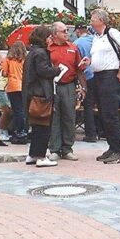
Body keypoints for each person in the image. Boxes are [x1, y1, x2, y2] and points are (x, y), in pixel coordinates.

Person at [87, 9, 120, 164]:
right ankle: (112, 147)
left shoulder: (112, 32)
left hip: (109, 76)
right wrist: (89, 62)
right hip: (98, 76)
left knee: (110, 113)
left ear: (102, 20)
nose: (91, 21)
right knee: (102, 113)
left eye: (93, 18)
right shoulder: (96, 37)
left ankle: (119, 151)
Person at [23, 24, 58, 167]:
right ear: (44, 38)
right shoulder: (41, 53)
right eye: (49, 36)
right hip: (41, 94)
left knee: (37, 125)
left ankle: (32, 154)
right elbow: (44, 71)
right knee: (43, 126)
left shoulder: (32, 52)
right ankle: (41, 156)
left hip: (32, 93)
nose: (51, 39)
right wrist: (57, 70)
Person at [48, 21, 82, 161]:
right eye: (63, 31)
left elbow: (79, 69)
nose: (67, 33)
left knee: (69, 116)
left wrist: (82, 87)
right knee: (54, 117)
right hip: (53, 86)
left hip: (69, 85)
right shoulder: (48, 49)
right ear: (55, 34)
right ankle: (54, 149)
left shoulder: (73, 48)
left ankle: (67, 148)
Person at [74, 22, 98, 143]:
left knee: (88, 105)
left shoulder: (76, 44)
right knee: (100, 104)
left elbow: (76, 64)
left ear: (78, 32)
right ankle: (102, 131)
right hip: (99, 75)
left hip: (87, 76)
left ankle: (91, 134)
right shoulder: (95, 40)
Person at [1, 41, 27, 144]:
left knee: (17, 111)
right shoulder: (25, 60)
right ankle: (24, 130)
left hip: (12, 86)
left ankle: (18, 132)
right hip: (23, 86)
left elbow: (4, 73)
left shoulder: (8, 59)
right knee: (23, 110)